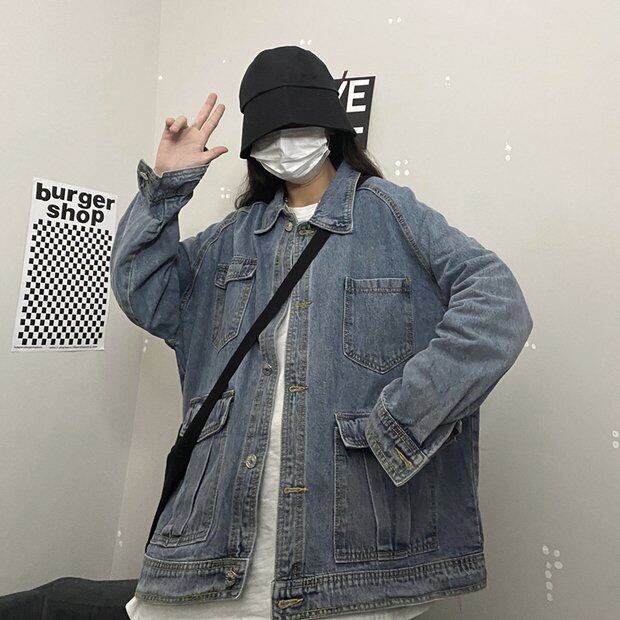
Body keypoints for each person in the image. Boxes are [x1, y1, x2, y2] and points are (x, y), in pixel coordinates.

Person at [113, 46, 533, 619]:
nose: (286, 143)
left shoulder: (394, 216)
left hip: (358, 553)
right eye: (270, 131)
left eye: (300, 124)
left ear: (332, 127)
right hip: (210, 547)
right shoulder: (228, 240)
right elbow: (145, 294)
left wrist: (400, 422)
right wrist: (166, 186)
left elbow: (497, 304)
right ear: (253, 144)